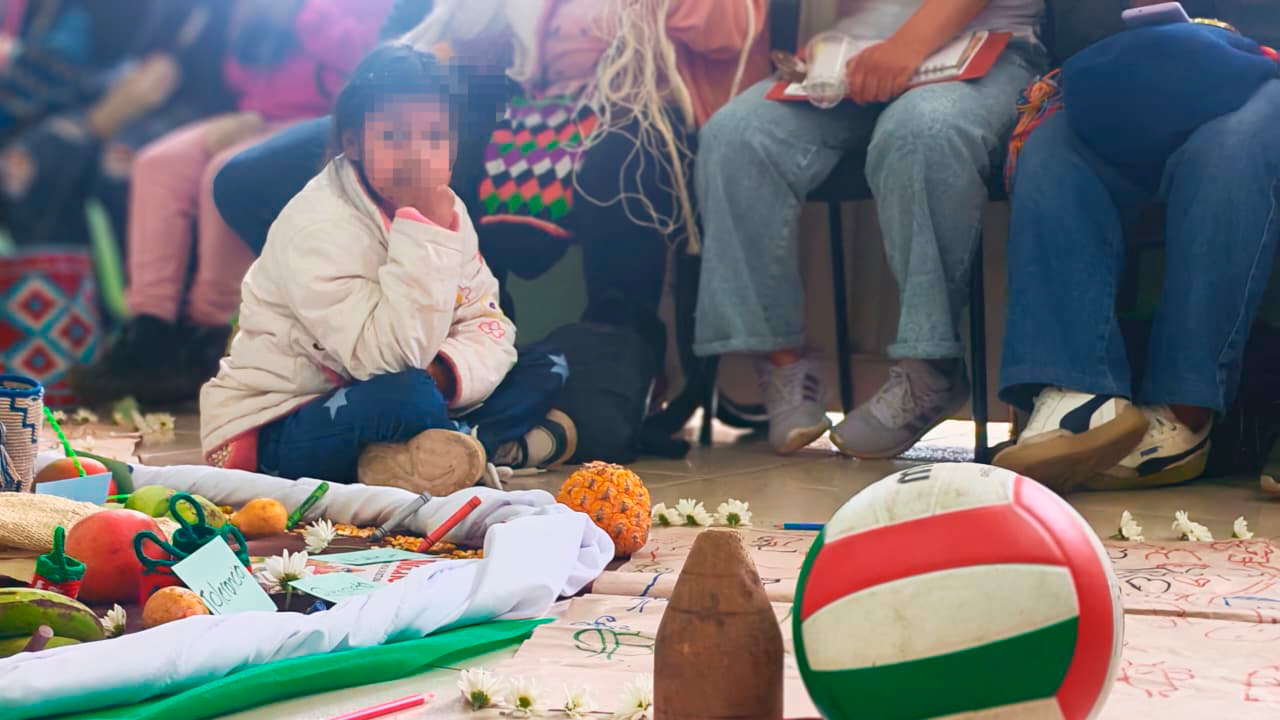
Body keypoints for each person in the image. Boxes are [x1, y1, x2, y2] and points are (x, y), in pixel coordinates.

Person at [212, 0, 769, 357]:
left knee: (615, 157)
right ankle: (354, 327)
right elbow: (438, 39)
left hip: (622, 108)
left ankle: (609, 370)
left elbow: (733, 27)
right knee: (247, 179)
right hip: (471, 95)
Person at [201, 44, 576, 494]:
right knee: (408, 398)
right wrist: (426, 232)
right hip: (286, 418)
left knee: (547, 363)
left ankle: (431, 453)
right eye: (394, 137)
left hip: (418, 380)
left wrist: (445, 373)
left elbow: (486, 319)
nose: (417, 155)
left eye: (435, 137)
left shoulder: (446, 204)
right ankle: (481, 444)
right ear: (353, 141)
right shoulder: (318, 226)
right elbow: (389, 360)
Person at [694, 0, 1047, 456]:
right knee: (735, 136)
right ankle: (782, 368)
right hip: (860, 50)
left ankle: (931, 368)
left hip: (993, 45)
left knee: (922, 132)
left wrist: (906, 45)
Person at [993, 8, 1280, 493]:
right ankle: (1076, 393)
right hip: (1142, 73)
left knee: (1228, 152)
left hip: (1264, 71)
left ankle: (1182, 410)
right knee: (1054, 149)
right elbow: (1080, 30)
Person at [69, 0, 395, 406]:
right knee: (157, 164)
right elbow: (241, 71)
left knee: (222, 174)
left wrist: (300, 12)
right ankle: (150, 330)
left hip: (324, 121)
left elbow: (369, 59)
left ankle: (207, 334)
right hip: (256, 118)